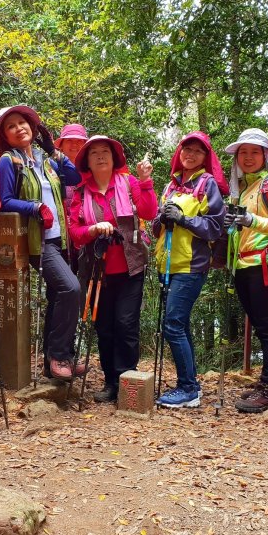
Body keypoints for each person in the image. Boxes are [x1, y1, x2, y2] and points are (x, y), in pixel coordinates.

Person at [0, 105, 82, 379]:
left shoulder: (46, 160)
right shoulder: (8, 161)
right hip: (37, 241)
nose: (19, 128)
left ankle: (57, 361)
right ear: (5, 136)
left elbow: (76, 177)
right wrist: (34, 207)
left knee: (59, 296)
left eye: (23, 123)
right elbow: (3, 200)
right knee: (71, 289)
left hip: (61, 238)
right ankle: (58, 356)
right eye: (12, 126)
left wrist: (54, 149)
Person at [68, 136, 157, 402]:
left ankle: (127, 381)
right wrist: (93, 229)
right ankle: (110, 382)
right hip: (98, 272)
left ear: (114, 156)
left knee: (126, 324)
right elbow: (75, 232)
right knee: (104, 327)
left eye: (105, 151)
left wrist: (145, 181)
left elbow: (149, 212)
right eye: (93, 153)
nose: (100, 156)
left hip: (131, 267)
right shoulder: (81, 192)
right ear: (87, 162)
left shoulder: (129, 183)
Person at [152, 131, 227, 408]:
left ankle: (188, 388)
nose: (190, 154)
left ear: (206, 157)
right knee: (179, 324)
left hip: (191, 266)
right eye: (186, 149)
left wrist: (183, 218)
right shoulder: (170, 187)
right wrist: (162, 218)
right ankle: (189, 384)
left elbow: (215, 227)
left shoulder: (207, 185)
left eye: (197, 151)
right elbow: (156, 228)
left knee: (172, 324)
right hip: (167, 263)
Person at [220, 129, 268, 414]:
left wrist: (250, 219)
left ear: (265, 155)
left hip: (263, 264)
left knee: (267, 326)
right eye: (243, 153)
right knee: (262, 325)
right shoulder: (244, 189)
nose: (248, 158)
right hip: (242, 265)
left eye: (254, 152)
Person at [55, 123, 89, 272]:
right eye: (69, 140)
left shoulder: (92, 169)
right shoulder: (51, 169)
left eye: (80, 141)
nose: (75, 144)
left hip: (87, 235)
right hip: (60, 237)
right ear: (61, 145)